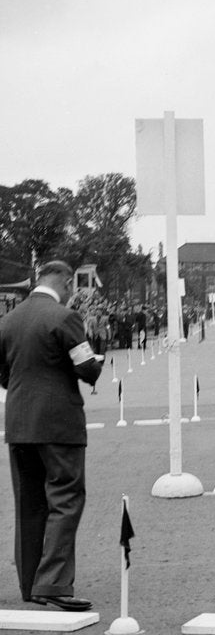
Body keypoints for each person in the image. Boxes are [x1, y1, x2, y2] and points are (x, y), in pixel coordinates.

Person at [0, 261, 104, 611]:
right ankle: (54, 584)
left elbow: (4, 375)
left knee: (29, 504)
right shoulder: (65, 318)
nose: (71, 293)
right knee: (65, 498)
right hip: (58, 424)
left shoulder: (8, 320)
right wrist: (95, 364)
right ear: (63, 281)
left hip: (18, 423)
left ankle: (30, 584)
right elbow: (86, 367)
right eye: (70, 287)